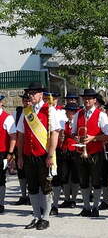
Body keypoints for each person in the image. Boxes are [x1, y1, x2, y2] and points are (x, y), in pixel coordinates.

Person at [16, 82, 60, 230]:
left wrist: (50, 155)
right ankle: (36, 216)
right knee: (32, 187)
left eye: (34, 93)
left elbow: (55, 134)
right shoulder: (26, 111)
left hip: (43, 155)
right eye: (30, 93)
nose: (31, 95)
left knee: (46, 186)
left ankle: (46, 218)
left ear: (41, 94)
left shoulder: (49, 110)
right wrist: (20, 156)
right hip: (29, 155)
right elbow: (21, 135)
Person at [72, 88, 108, 217]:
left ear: (95, 100)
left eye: (89, 98)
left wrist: (93, 138)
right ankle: (86, 207)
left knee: (96, 180)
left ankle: (95, 207)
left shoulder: (101, 115)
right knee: (83, 180)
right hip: (81, 152)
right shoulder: (78, 114)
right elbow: (73, 132)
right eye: (85, 98)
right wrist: (76, 137)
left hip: (95, 153)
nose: (87, 101)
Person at [58, 103, 80, 209]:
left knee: (75, 176)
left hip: (75, 150)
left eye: (69, 112)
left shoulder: (78, 124)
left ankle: (73, 200)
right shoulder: (66, 124)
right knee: (65, 175)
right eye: (67, 111)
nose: (67, 113)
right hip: (65, 150)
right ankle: (67, 199)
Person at [13, 93, 31, 206]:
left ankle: (31, 195)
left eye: (28, 100)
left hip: (30, 147)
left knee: (30, 173)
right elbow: (14, 130)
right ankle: (23, 195)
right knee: (21, 173)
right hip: (20, 146)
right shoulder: (17, 112)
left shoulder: (33, 112)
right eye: (24, 100)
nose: (26, 102)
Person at [0, 95, 17, 213]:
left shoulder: (7, 118)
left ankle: (0, 203)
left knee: (0, 179)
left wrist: (10, 153)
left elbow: (13, 137)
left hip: (1, 152)